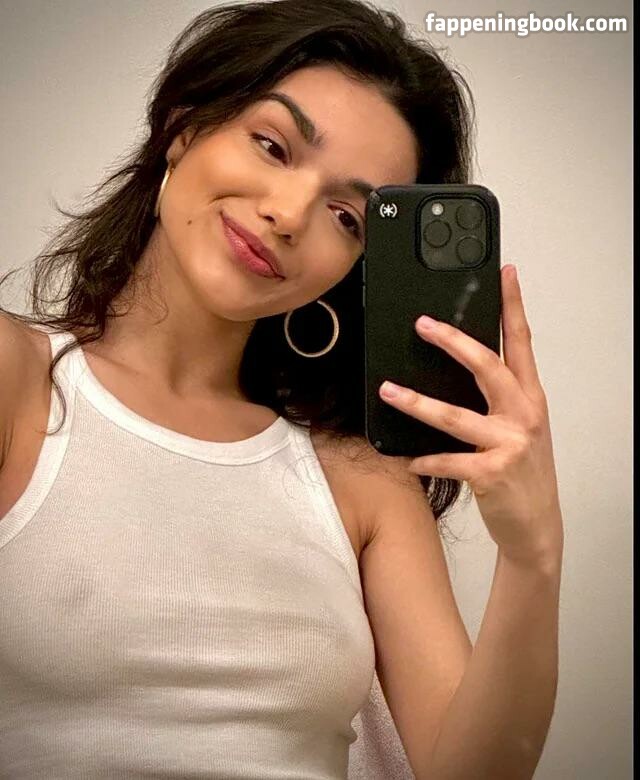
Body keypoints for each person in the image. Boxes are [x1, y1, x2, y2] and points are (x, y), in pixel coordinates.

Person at [0, 0, 564, 778]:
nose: (290, 215)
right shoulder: (19, 381)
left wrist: (534, 554)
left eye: (347, 216)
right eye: (272, 146)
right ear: (184, 125)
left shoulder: (361, 480)